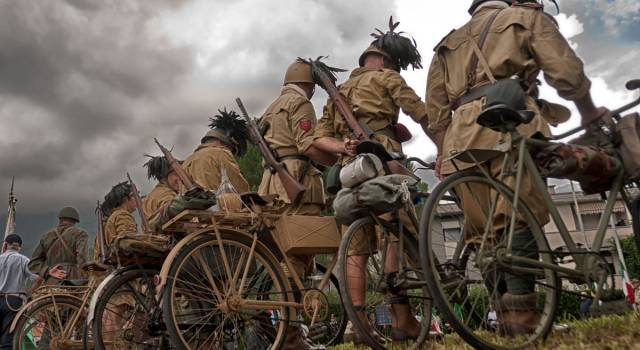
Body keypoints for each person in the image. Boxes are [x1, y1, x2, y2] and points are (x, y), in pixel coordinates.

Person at [425, 0, 608, 335]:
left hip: (460, 139)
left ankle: (501, 316)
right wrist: (588, 112)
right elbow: (566, 73)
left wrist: (443, 151)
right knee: (519, 214)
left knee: (485, 229)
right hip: (511, 120)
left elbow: (435, 112)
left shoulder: (447, 45)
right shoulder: (521, 18)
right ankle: (523, 315)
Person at [313, 18, 428, 343]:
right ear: (384, 60)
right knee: (398, 230)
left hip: (350, 170)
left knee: (356, 246)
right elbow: (420, 111)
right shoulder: (387, 77)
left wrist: (343, 145)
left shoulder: (341, 92)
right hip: (383, 159)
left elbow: (319, 140)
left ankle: (360, 325)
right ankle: (402, 319)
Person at [257, 58, 338, 350]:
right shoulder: (300, 103)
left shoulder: (271, 106)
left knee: (282, 258)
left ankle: (289, 332)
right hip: (296, 180)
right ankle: (292, 336)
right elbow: (307, 144)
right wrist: (337, 155)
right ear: (310, 84)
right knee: (298, 257)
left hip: (271, 183)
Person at [0, 234, 66, 350]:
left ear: (5, 245)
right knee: (8, 339)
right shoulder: (23, 260)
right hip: (13, 302)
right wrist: (29, 293)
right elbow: (39, 278)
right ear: (19, 247)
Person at [183, 109, 250, 193]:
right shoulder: (221, 153)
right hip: (218, 205)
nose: (229, 151)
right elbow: (240, 188)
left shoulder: (187, 161)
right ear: (223, 142)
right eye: (230, 149)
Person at [29, 206, 88, 285]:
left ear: (60, 219)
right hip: (73, 280)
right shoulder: (80, 234)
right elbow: (81, 258)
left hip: (51, 281)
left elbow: (33, 264)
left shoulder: (46, 236)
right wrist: (87, 276)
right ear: (75, 221)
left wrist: (48, 271)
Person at [142, 155, 181, 221]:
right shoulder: (166, 193)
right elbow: (171, 213)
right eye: (176, 173)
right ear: (164, 176)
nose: (180, 178)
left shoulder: (149, 197)